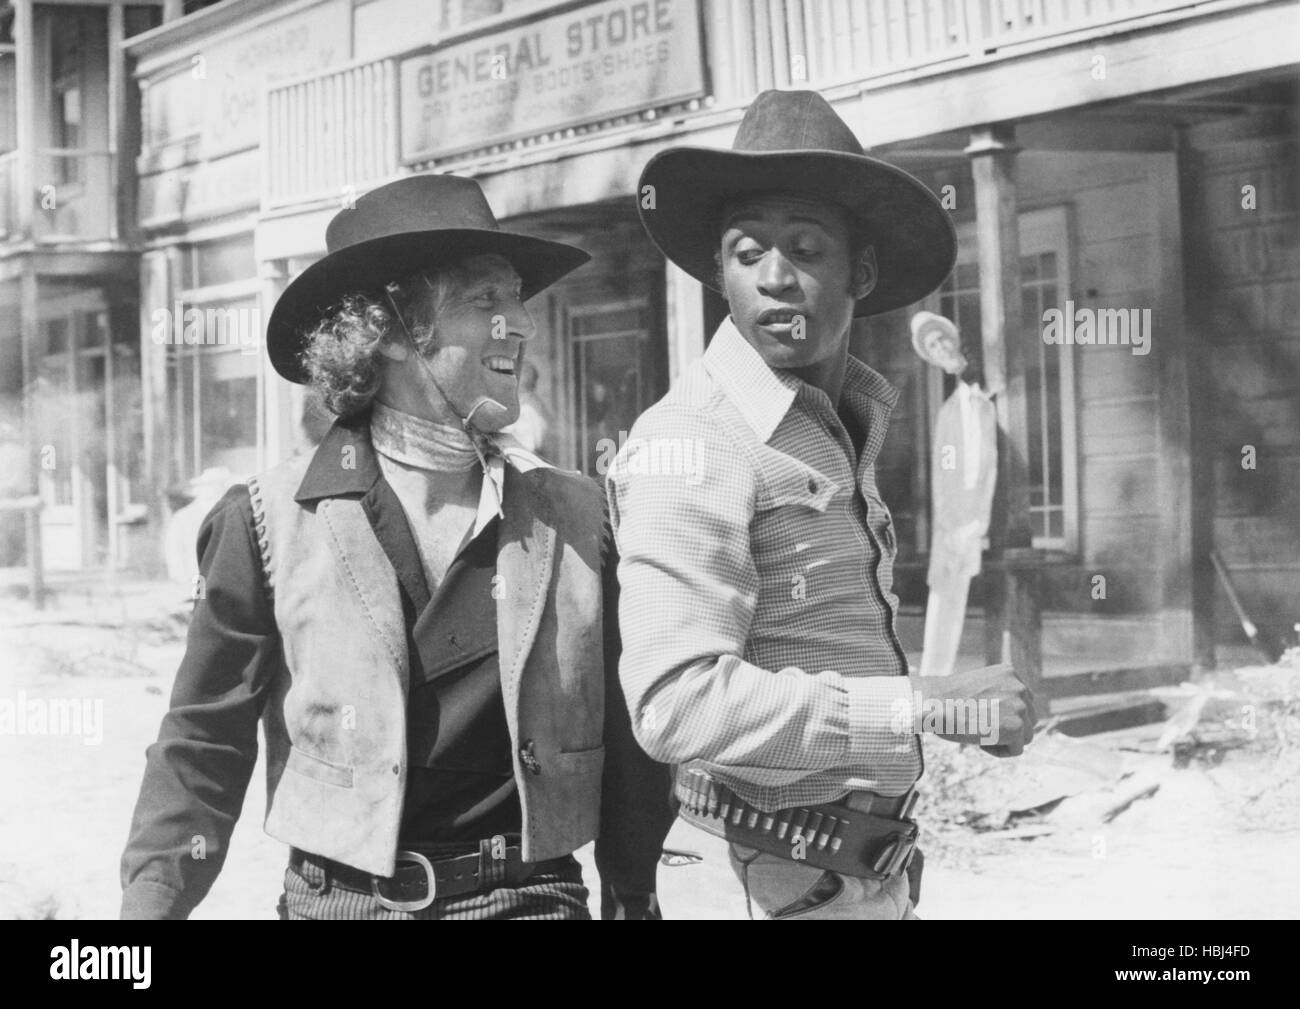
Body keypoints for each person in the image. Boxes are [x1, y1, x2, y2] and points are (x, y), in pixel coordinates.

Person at [121, 174, 672, 920]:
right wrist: (149, 911)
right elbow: (202, 743)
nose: (520, 324)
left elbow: (631, 741)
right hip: (338, 901)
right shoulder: (266, 521)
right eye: (486, 301)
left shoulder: (579, 516)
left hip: (530, 896)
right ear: (389, 331)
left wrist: (634, 896)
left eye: (517, 299)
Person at [608, 89, 1035, 920]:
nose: (774, 277)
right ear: (717, 275)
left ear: (861, 272)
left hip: (851, 875)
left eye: (805, 249)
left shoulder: (839, 418)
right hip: (752, 880)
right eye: (744, 253)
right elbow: (675, 704)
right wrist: (926, 702)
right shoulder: (693, 437)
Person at [912, 311, 998, 678]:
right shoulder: (952, 407)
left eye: (942, 338)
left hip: (988, 506)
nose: (940, 348)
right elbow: (949, 473)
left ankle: (937, 673)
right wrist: (953, 523)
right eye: (932, 347)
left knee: (954, 585)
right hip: (963, 516)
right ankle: (935, 676)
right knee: (947, 586)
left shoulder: (988, 379)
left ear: (955, 337)